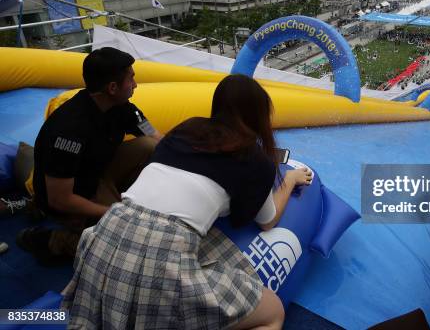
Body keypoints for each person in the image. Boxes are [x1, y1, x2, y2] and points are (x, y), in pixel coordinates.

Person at [61, 74, 312, 329]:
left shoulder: (185, 129)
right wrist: (290, 179)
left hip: (105, 233)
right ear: (258, 115)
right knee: (272, 312)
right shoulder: (255, 159)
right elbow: (267, 221)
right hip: (162, 258)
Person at [17, 47, 161, 265]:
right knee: (128, 251)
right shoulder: (69, 130)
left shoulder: (122, 108)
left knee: (148, 146)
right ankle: (54, 240)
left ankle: (112, 209)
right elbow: (59, 198)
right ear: (112, 88)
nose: (135, 85)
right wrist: (114, 213)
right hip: (74, 193)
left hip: (98, 172)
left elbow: (156, 137)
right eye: (131, 79)